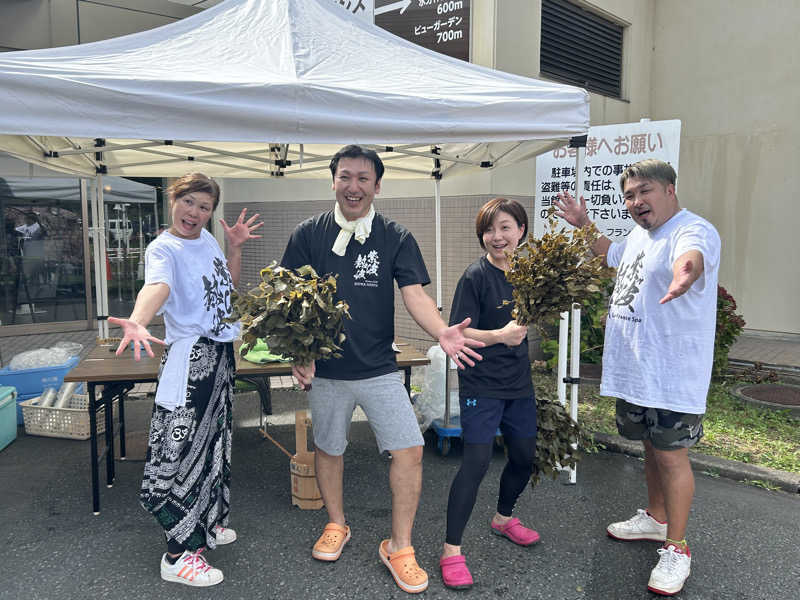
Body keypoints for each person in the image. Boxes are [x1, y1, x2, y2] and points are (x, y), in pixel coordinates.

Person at [281, 144, 483, 595]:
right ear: (333, 180)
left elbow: (413, 294)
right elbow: (287, 298)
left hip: (378, 367)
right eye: (345, 177)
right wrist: (298, 350)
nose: (354, 187)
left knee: (409, 450)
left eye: (363, 179)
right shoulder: (307, 233)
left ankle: (400, 546)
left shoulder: (394, 235)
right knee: (330, 449)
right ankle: (337, 524)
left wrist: (441, 331)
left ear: (376, 186)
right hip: (328, 369)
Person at [554, 159, 720, 596]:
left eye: (644, 191)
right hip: (637, 371)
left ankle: (677, 547)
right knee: (649, 444)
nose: (636, 201)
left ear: (669, 189)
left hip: (672, 373)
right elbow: (608, 253)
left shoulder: (692, 229)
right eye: (629, 195)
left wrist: (685, 276)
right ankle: (655, 516)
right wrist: (583, 223)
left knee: (671, 454)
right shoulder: (639, 237)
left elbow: (692, 258)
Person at [109, 173, 262, 587]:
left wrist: (234, 247)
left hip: (219, 355)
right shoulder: (164, 247)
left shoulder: (208, 241)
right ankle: (176, 555)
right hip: (190, 358)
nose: (194, 213)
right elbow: (156, 286)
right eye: (188, 202)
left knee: (212, 446)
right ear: (172, 199)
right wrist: (138, 321)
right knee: (177, 454)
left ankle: (205, 525)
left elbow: (225, 288)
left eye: (204, 207)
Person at [439, 198, 540, 590]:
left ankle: (503, 517)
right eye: (489, 229)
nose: (496, 237)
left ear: (521, 231)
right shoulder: (475, 276)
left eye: (505, 228)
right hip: (481, 383)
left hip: (519, 384)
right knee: (476, 463)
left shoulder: (528, 274)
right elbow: (458, 330)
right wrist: (499, 336)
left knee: (524, 456)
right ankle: (451, 550)